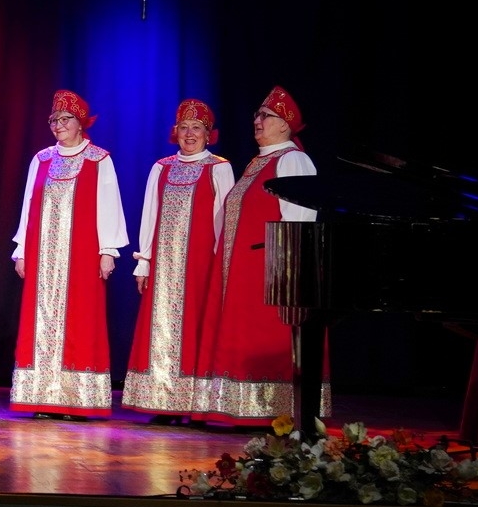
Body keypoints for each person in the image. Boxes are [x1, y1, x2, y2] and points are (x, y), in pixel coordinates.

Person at [192, 86, 325, 428]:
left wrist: (286, 271)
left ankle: (273, 408)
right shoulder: (258, 162)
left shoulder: (292, 159)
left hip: (269, 271)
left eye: (266, 115)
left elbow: (299, 221)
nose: (258, 120)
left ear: (285, 124)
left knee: (267, 337)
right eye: (257, 114)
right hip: (243, 270)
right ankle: (244, 408)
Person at [10, 89, 128, 420]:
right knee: (41, 322)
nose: (58, 125)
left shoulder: (98, 159)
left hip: (82, 255)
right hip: (44, 256)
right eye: (54, 120)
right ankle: (41, 397)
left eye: (66, 119)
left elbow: (109, 206)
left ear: (81, 123)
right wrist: (22, 249)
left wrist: (108, 251)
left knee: (81, 320)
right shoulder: (42, 159)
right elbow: (29, 206)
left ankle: (76, 399)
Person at [121, 99, 235, 423]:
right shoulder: (162, 167)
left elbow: (225, 219)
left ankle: (194, 403)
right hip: (163, 266)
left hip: (201, 265)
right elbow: (149, 216)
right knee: (160, 330)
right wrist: (143, 262)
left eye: (196, 127)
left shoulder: (219, 168)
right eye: (183, 127)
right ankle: (162, 400)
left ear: (209, 133)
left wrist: (222, 265)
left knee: (197, 330)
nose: (189, 133)